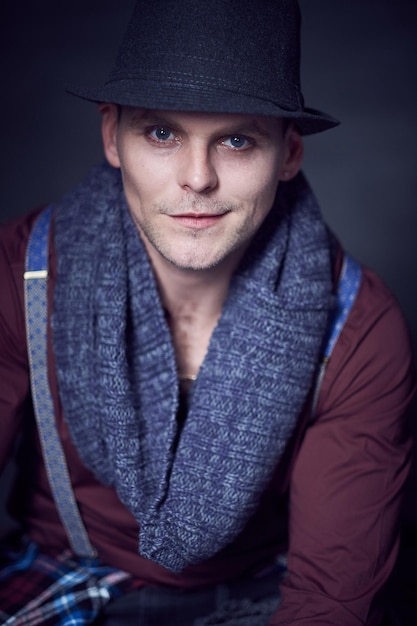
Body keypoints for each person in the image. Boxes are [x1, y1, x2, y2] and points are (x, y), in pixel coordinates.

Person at [0, 0, 415, 624]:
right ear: (112, 135)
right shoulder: (20, 274)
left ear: (290, 154)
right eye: (162, 132)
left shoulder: (360, 325)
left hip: (265, 588)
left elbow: (330, 593)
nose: (198, 179)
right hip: (67, 571)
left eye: (238, 139)